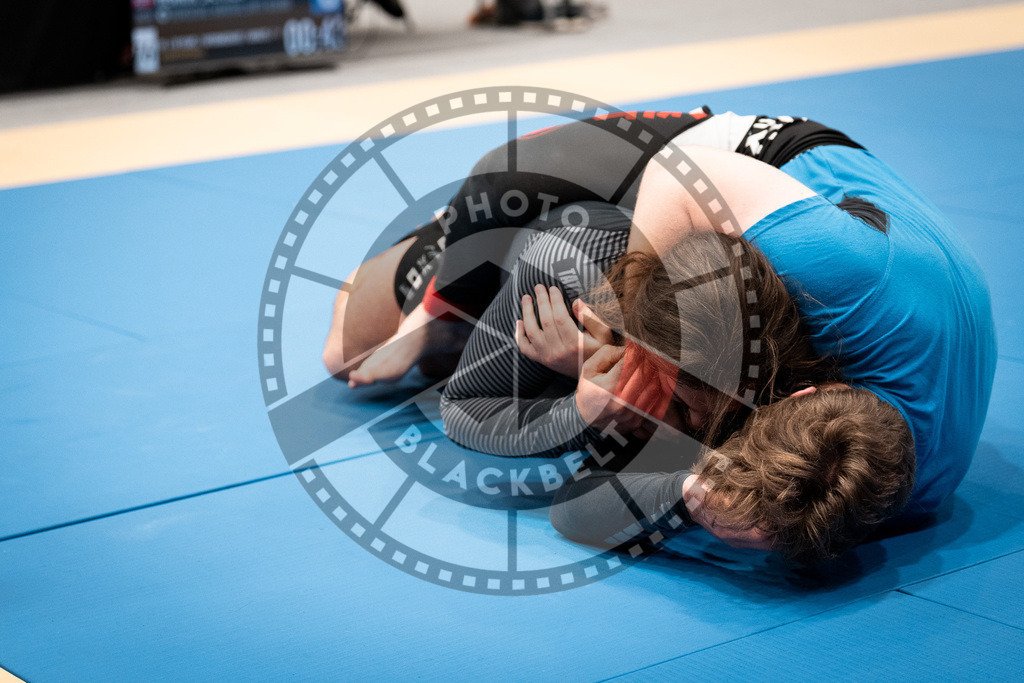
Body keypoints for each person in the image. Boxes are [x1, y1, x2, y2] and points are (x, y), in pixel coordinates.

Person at [323, 108, 996, 563]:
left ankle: (474, 304)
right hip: (740, 160)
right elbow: (681, 175)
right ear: (798, 391)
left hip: (769, 318)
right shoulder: (841, 268)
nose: (703, 439)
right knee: (505, 181)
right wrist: (621, 332)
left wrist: (691, 489)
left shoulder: (853, 487)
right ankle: (437, 294)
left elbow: (581, 509)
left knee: (354, 348)